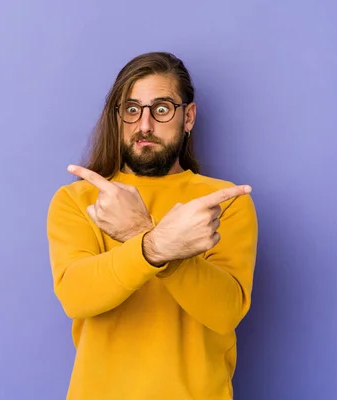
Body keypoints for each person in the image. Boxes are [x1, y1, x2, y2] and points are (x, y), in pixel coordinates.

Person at [46, 51, 258, 400]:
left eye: (161, 109)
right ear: (118, 118)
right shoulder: (79, 199)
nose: (144, 126)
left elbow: (225, 312)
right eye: (132, 110)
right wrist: (154, 245)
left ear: (188, 116)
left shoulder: (223, 201)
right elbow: (77, 297)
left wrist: (138, 234)